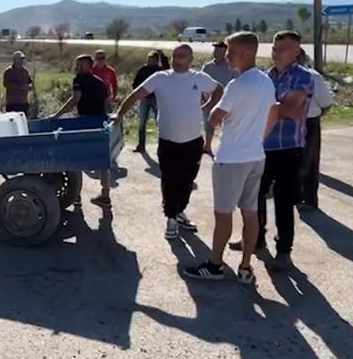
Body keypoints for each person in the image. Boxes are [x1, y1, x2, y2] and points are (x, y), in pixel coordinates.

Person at [182, 32, 277, 284]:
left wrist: (215, 113)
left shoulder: (237, 85)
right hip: (256, 156)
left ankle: (215, 265)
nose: (226, 56)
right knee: (250, 212)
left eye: (231, 52)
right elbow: (272, 112)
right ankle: (245, 267)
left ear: (247, 52)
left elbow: (215, 117)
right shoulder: (266, 81)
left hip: (232, 158)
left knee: (223, 215)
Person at [113, 45, 223, 239]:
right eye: (175, 56)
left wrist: (209, 105)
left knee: (187, 180)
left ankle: (180, 211)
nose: (177, 59)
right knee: (170, 179)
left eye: (182, 56)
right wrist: (120, 114)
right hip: (168, 141)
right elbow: (136, 94)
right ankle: (171, 218)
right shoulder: (160, 78)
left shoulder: (199, 78)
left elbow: (218, 89)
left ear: (190, 59)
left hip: (193, 141)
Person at [229, 31, 314, 271]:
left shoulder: (303, 76)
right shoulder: (266, 77)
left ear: (296, 51)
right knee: (253, 197)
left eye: (283, 49)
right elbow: (274, 108)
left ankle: (284, 250)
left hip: (288, 148)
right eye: (275, 48)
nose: (276, 53)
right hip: (262, 147)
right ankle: (255, 239)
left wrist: (271, 108)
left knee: (283, 202)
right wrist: (276, 107)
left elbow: (291, 109)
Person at [53, 54, 111, 207]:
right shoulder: (100, 82)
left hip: (84, 122)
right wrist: (106, 119)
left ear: (87, 65)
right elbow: (107, 103)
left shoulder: (79, 80)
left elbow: (75, 99)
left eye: (79, 64)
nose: (76, 67)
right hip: (99, 122)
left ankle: (76, 195)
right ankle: (105, 194)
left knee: (76, 158)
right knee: (102, 159)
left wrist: (57, 115)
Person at [297, 48, 333, 210]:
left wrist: (314, 116)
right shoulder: (276, 75)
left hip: (308, 122)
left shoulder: (313, 77)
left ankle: (308, 199)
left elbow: (326, 103)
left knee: (308, 162)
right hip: (284, 122)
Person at [201, 41, 236, 155]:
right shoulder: (208, 66)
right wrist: (202, 98)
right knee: (208, 125)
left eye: (220, 51)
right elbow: (201, 82)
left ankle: (227, 147)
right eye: (215, 50)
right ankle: (207, 146)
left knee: (225, 126)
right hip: (208, 101)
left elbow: (236, 83)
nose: (217, 53)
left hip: (225, 101)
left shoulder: (231, 67)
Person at [131, 50, 164, 152]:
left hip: (156, 98)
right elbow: (135, 83)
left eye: (153, 59)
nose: (151, 61)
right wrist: (138, 95)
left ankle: (163, 145)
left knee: (160, 122)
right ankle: (141, 145)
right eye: (149, 59)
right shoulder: (142, 70)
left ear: (157, 60)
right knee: (142, 122)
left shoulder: (160, 71)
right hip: (144, 98)